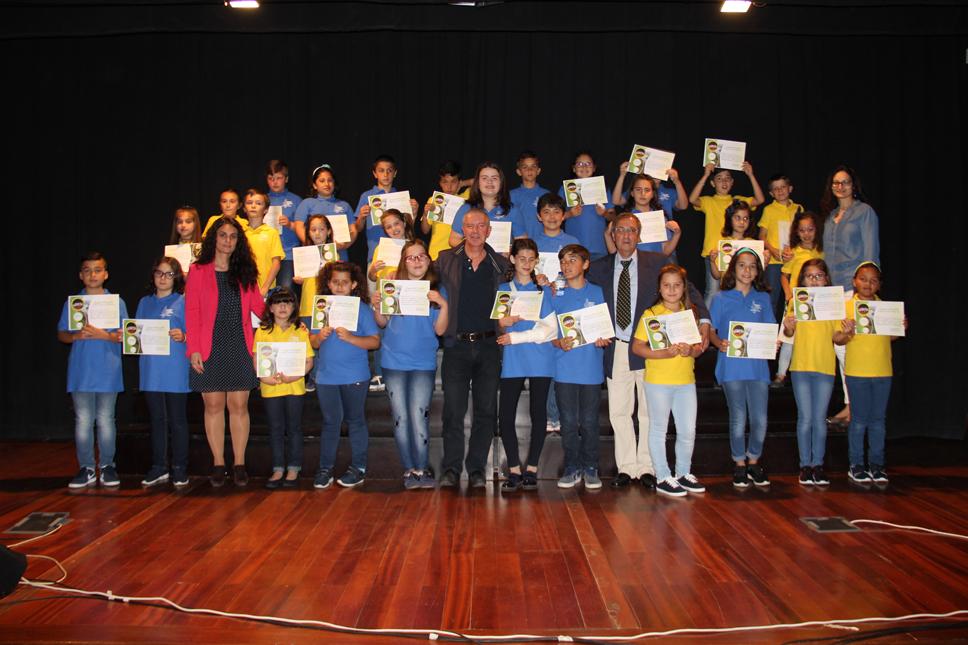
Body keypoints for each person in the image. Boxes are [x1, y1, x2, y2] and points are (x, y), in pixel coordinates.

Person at [588, 213, 709, 490]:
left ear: (639, 235)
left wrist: (704, 319)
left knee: (648, 412)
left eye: (632, 230)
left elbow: (687, 288)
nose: (627, 236)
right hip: (616, 347)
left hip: (649, 348)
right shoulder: (599, 267)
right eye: (621, 230)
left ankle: (646, 467)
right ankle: (626, 467)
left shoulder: (656, 263)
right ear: (612, 234)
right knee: (619, 411)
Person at [185, 216, 266, 488]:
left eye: (233, 236)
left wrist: (286, 320)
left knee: (239, 406)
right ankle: (219, 462)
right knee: (213, 405)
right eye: (223, 235)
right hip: (209, 345)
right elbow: (192, 312)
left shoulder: (245, 270)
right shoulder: (197, 271)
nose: (228, 240)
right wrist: (193, 348)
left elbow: (258, 307)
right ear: (214, 238)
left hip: (240, 344)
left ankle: (240, 463)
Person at [436, 209, 511, 488]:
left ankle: (477, 468)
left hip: (490, 345)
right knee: (453, 411)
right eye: (470, 226)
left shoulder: (501, 264)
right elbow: (418, 283)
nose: (476, 231)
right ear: (462, 230)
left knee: (486, 411)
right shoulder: (445, 260)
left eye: (482, 226)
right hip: (456, 346)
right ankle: (452, 468)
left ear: (489, 230)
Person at [371, 239, 449, 490]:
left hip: (423, 363)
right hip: (393, 361)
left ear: (428, 260)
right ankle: (409, 469)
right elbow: (382, 323)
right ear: (403, 262)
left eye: (421, 256)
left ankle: (422, 467)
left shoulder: (437, 290)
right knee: (401, 418)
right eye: (410, 257)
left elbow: (440, 329)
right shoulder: (392, 287)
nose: (416, 261)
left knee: (419, 416)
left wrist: (443, 304)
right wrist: (377, 303)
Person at [631, 265, 706, 498]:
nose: (672, 289)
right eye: (666, 285)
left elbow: (698, 349)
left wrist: (689, 350)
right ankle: (663, 476)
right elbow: (637, 347)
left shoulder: (690, 314)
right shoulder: (651, 315)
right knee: (658, 429)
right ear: (659, 288)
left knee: (687, 431)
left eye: (676, 285)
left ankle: (683, 472)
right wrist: (663, 353)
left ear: (684, 288)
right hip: (658, 382)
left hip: (685, 381)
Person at [57, 252, 128, 489]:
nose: (93, 274)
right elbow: (62, 334)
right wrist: (75, 335)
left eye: (97, 270)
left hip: (108, 371)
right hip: (81, 371)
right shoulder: (74, 303)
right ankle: (86, 467)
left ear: (106, 274)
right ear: (81, 275)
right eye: (87, 270)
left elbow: (126, 336)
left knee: (106, 419)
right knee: (83, 420)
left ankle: (107, 466)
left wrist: (104, 335)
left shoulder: (116, 302)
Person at [781, 258, 852, 486]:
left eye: (818, 276)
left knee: (819, 420)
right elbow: (789, 334)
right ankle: (804, 465)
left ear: (826, 279)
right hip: (801, 367)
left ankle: (818, 465)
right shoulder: (796, 302)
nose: (814, 280)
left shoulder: (833, 305)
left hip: (824, 368)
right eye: (809, 276)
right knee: (805, 419)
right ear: (802, 280)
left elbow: (837, 337)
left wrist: (849, 332)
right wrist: (789, 325)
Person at [707, 250, 775, 488]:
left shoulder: (763, 299)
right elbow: (711, 331)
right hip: (731, 368)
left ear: (758, 271)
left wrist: (776, 338)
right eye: (742, 266)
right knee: (738, 418)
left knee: (760, 419)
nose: (747, 271)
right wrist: (719, 344)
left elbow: (770, 331)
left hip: (758, 368)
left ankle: (754, 461)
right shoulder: (721, 298)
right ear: (733, 269)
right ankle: (739, 464)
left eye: (753, 266)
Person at [310, 262, 381, 489]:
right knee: (330, 422)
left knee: (356, 421)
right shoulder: (321, 307)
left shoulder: (362, 309)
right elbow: (312, 342)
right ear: (328, 284)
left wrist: (351, 338)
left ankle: (358, 467)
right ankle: (325, 469)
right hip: (326, 377)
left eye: (345, 282)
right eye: (335, 282)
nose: (340, 286)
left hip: (354, 376)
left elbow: (374, 341)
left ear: (354, 284)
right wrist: (319, 337)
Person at [820, 165, 881, 427]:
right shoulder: (831, 215)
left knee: (849, 349)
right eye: (836, 183)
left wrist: (866, 289)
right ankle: (849, 404)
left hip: (852, 288)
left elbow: (870, 252)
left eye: (844, 182)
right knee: (839, 348)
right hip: (831, 290)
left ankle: (853, 406)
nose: (840, 187)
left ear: (853, 185)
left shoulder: (864, 212)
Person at [495, 239, 557, 492]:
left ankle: (532, 468)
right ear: (512, 259)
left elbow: (551, 329)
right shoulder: (503, 289)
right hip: (512, 357)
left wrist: (515, 332)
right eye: (522, 258)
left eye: (532, 259)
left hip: (541, 357)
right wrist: (503, 322)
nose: (527, 263)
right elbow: (497, 325)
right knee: (506, 415)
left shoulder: (543, 290)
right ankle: (513, 468)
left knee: (538, 413)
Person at [551, 244, 611, 489]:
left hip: (591, 370)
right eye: (563, 261)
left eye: (572, 260)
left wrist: (603, 339)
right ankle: (572, 467)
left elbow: (605, 330)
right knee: (567, 421)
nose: (567, 265)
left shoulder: (598, 292)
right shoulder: (554, 294)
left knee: (588, 421)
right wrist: (558, 341)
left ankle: (591, 467)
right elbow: (548, 332)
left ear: (586, 264)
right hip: (564, 368)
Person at [842, 262, 906, 484]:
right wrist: (847, 332)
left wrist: (900, 328)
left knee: (878, 421)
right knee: (859, 421)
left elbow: (891, 337)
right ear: (854, 281)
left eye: (873, 280)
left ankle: (877, 464)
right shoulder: (847, 307)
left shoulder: (885, 308)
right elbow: (837, 338)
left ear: (879, 284)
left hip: (882, 371)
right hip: (857, 371)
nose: (868, 284)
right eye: (863, 278)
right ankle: (856, 464)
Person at [136, 257, 190, 488]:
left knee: (178, 421)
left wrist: (184, 336)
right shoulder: (144, 303)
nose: (163, 278)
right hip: (151, 369)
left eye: (169, 274)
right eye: (159, 273)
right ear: (153, 275)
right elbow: (134, 334)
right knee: (157, 420)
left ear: (176, 277)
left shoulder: (183, 301)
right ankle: (159, 466)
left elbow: (196, 334)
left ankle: (179, 467)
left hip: (175, 369)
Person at [254, 287, 313, 489]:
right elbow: (257, 358)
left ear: (294, 307)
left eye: (287, 302)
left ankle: (294, 468)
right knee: (276, 428)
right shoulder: (262, 331)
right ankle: (278, 467)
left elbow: (308, 362)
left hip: (295, 387)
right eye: (278, 302)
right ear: (270, 307)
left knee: (294, 428)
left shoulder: (300, 330)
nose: (282, 306)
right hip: (270, 388)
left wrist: (294, 376)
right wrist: (264, 377)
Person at [688, 162, 765, 306]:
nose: (724, 182)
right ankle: (707, 325)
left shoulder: (738, 201)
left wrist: (751, 175)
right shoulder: (709, 201)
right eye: (719, 178)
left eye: (727, 178)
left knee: (737, 289)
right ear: (712, 183)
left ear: (732, 182)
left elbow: (760, 199)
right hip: (715, 253)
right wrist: (705, 175)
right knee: (713, 291)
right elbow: (692, 199)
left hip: (737, 252)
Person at [774, 210, 824, 387]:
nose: (806, 234)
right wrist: (788, 294)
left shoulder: (821, 252)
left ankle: (811, 370)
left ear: (816, 230)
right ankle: (780, 374)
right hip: (795, 303)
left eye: (810, 229)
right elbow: (783, 275)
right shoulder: (793, 252)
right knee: (788, 340)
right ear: (796, 232)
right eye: (802, 230)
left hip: (817, 305)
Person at [354, 155, 420, 263]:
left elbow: (408, 227)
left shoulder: (401, 197)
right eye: (381, 171)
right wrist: (361, 216)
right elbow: (358, 228)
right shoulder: (366, 196)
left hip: (400, 254)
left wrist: (414, 213)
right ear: (375, 174)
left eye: (389, 171)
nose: (385, 174)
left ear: (395, 173)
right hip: (376, 255)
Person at [449, 162, 527, 248]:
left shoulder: (512, 210)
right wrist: (474, 248)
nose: (489, 181)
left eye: (494, 178)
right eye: (484, 178)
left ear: (501, 183)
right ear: (478, 183)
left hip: (502, 261)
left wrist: (511, 252)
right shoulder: (466, 208)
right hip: (472, 260)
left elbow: (522, 244)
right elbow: (453, 240)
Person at [758, 174, 801, 320]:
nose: (780, 191)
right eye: (776, 189)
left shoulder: (799, 208)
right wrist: (772, 250)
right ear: (771, 193)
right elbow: (761, 236)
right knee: (772, 299)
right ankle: (770, 333)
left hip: (794, 261)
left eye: (783, 187)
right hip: (774, 263)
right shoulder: (769, 210)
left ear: (790, 188)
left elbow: (804, 234)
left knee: (794, 297)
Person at [606, 174, 682, 256]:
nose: (643, 194)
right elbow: (615, 252)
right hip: (633, 266)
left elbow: (665, 251)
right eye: (638, 189)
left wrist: (677, 234)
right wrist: (607, 234)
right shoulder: (624, 219)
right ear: (632, 193)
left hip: (655, 265)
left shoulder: (659, 218)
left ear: (653, 194)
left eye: (647, 190)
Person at [293, 164, 356, 263]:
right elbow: (299, 226)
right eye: (322, 181)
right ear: (314, 185)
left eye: (330, 180)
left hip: (339, 254)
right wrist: (312, 244)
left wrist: (345, 245)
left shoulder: (344, 205)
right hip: (313, 254)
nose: (327, 184)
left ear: (334, 183)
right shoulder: (307, 203)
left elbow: (353, 229)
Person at [559, 151, 612, 260]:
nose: (584, 167)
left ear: (594, 168)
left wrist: (605, 213)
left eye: (588, 164)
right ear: (573, 168)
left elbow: (613, 217)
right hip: (574, 247)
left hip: (598, 247)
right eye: (580, 164)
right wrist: (570, 213)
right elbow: (555, 217)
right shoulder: (565, 189)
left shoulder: (603, 188)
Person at [420, 160, 470, 261]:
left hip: (459, 255)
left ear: (459, 182)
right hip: (436, 255)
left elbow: (479, 181)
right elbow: (425, 230)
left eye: (453, 181)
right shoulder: (434, 200)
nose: (449, 186)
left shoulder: (466, 198)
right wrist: (425, 215)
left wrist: (463, 183)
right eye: (445, 182)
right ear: (440, 183)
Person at [266, 159, 303, 290]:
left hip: (288, 254)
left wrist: (290, 224)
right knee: (266, 290)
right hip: (266, 254)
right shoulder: (262, 199)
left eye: (278, 178)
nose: (274, 182)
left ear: (286, 179)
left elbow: (304, 229)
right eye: (271, 178)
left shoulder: (296, 200)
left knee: (285, 290)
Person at [708, 200, 764, 282]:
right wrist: (712, 261)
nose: (742, 222)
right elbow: (717, 276)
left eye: (746, 218)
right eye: (737, 217)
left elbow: (758, 273)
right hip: (728, 290)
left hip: (747, 291)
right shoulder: (724, 244)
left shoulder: (753, 244)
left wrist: (764, 262)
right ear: (729, 219)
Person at [243, 188, 285, 296]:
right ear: (244, 208)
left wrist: (265, 287)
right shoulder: (240, 233)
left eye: (258, 203)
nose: (253, 206)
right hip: (244, 288)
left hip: (266, 289)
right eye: (249, 203)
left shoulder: (272, 233)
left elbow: (276, 263)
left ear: (266, 209)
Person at [509, 150, 551, 239]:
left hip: (542, 242)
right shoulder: (511, 195)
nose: (530, 170)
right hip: (519, 244)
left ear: (538, 171)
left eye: (533, 166)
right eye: (525, 167)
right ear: (519, 172)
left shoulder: (546, 194)